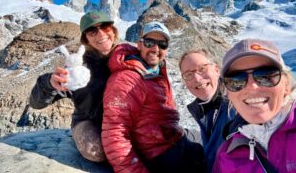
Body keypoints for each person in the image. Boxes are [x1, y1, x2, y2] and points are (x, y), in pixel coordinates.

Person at [101, 21, 206, 173]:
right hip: (159, 154)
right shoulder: (127, 79)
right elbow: (115, 132)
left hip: (172, 138)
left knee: (215, 142)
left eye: (162, 44)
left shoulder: (156, 70)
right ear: (139, 44)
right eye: (149, 42)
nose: (156, 49)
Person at [29, 11, 118, 163]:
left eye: (105, 26)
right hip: (89, 121)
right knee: (97, 150)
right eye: (92, 31)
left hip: (123, 121)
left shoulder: (128, 56)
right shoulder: (78, 68)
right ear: (86, 39)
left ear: (113, 30)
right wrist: (49, 83)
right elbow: (36, 103)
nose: (101, 34)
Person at [212, 39, 296, 173]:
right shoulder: (226, 155)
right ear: (229, 94)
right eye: (236, 80)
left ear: (286, 86)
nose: (252, 87)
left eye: (266, 75)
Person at [179, 49, 234, 172]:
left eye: (202, 69)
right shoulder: (206, 108)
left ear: (216, 70)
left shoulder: (236, 104)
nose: (197, 79)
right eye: (188, 75)